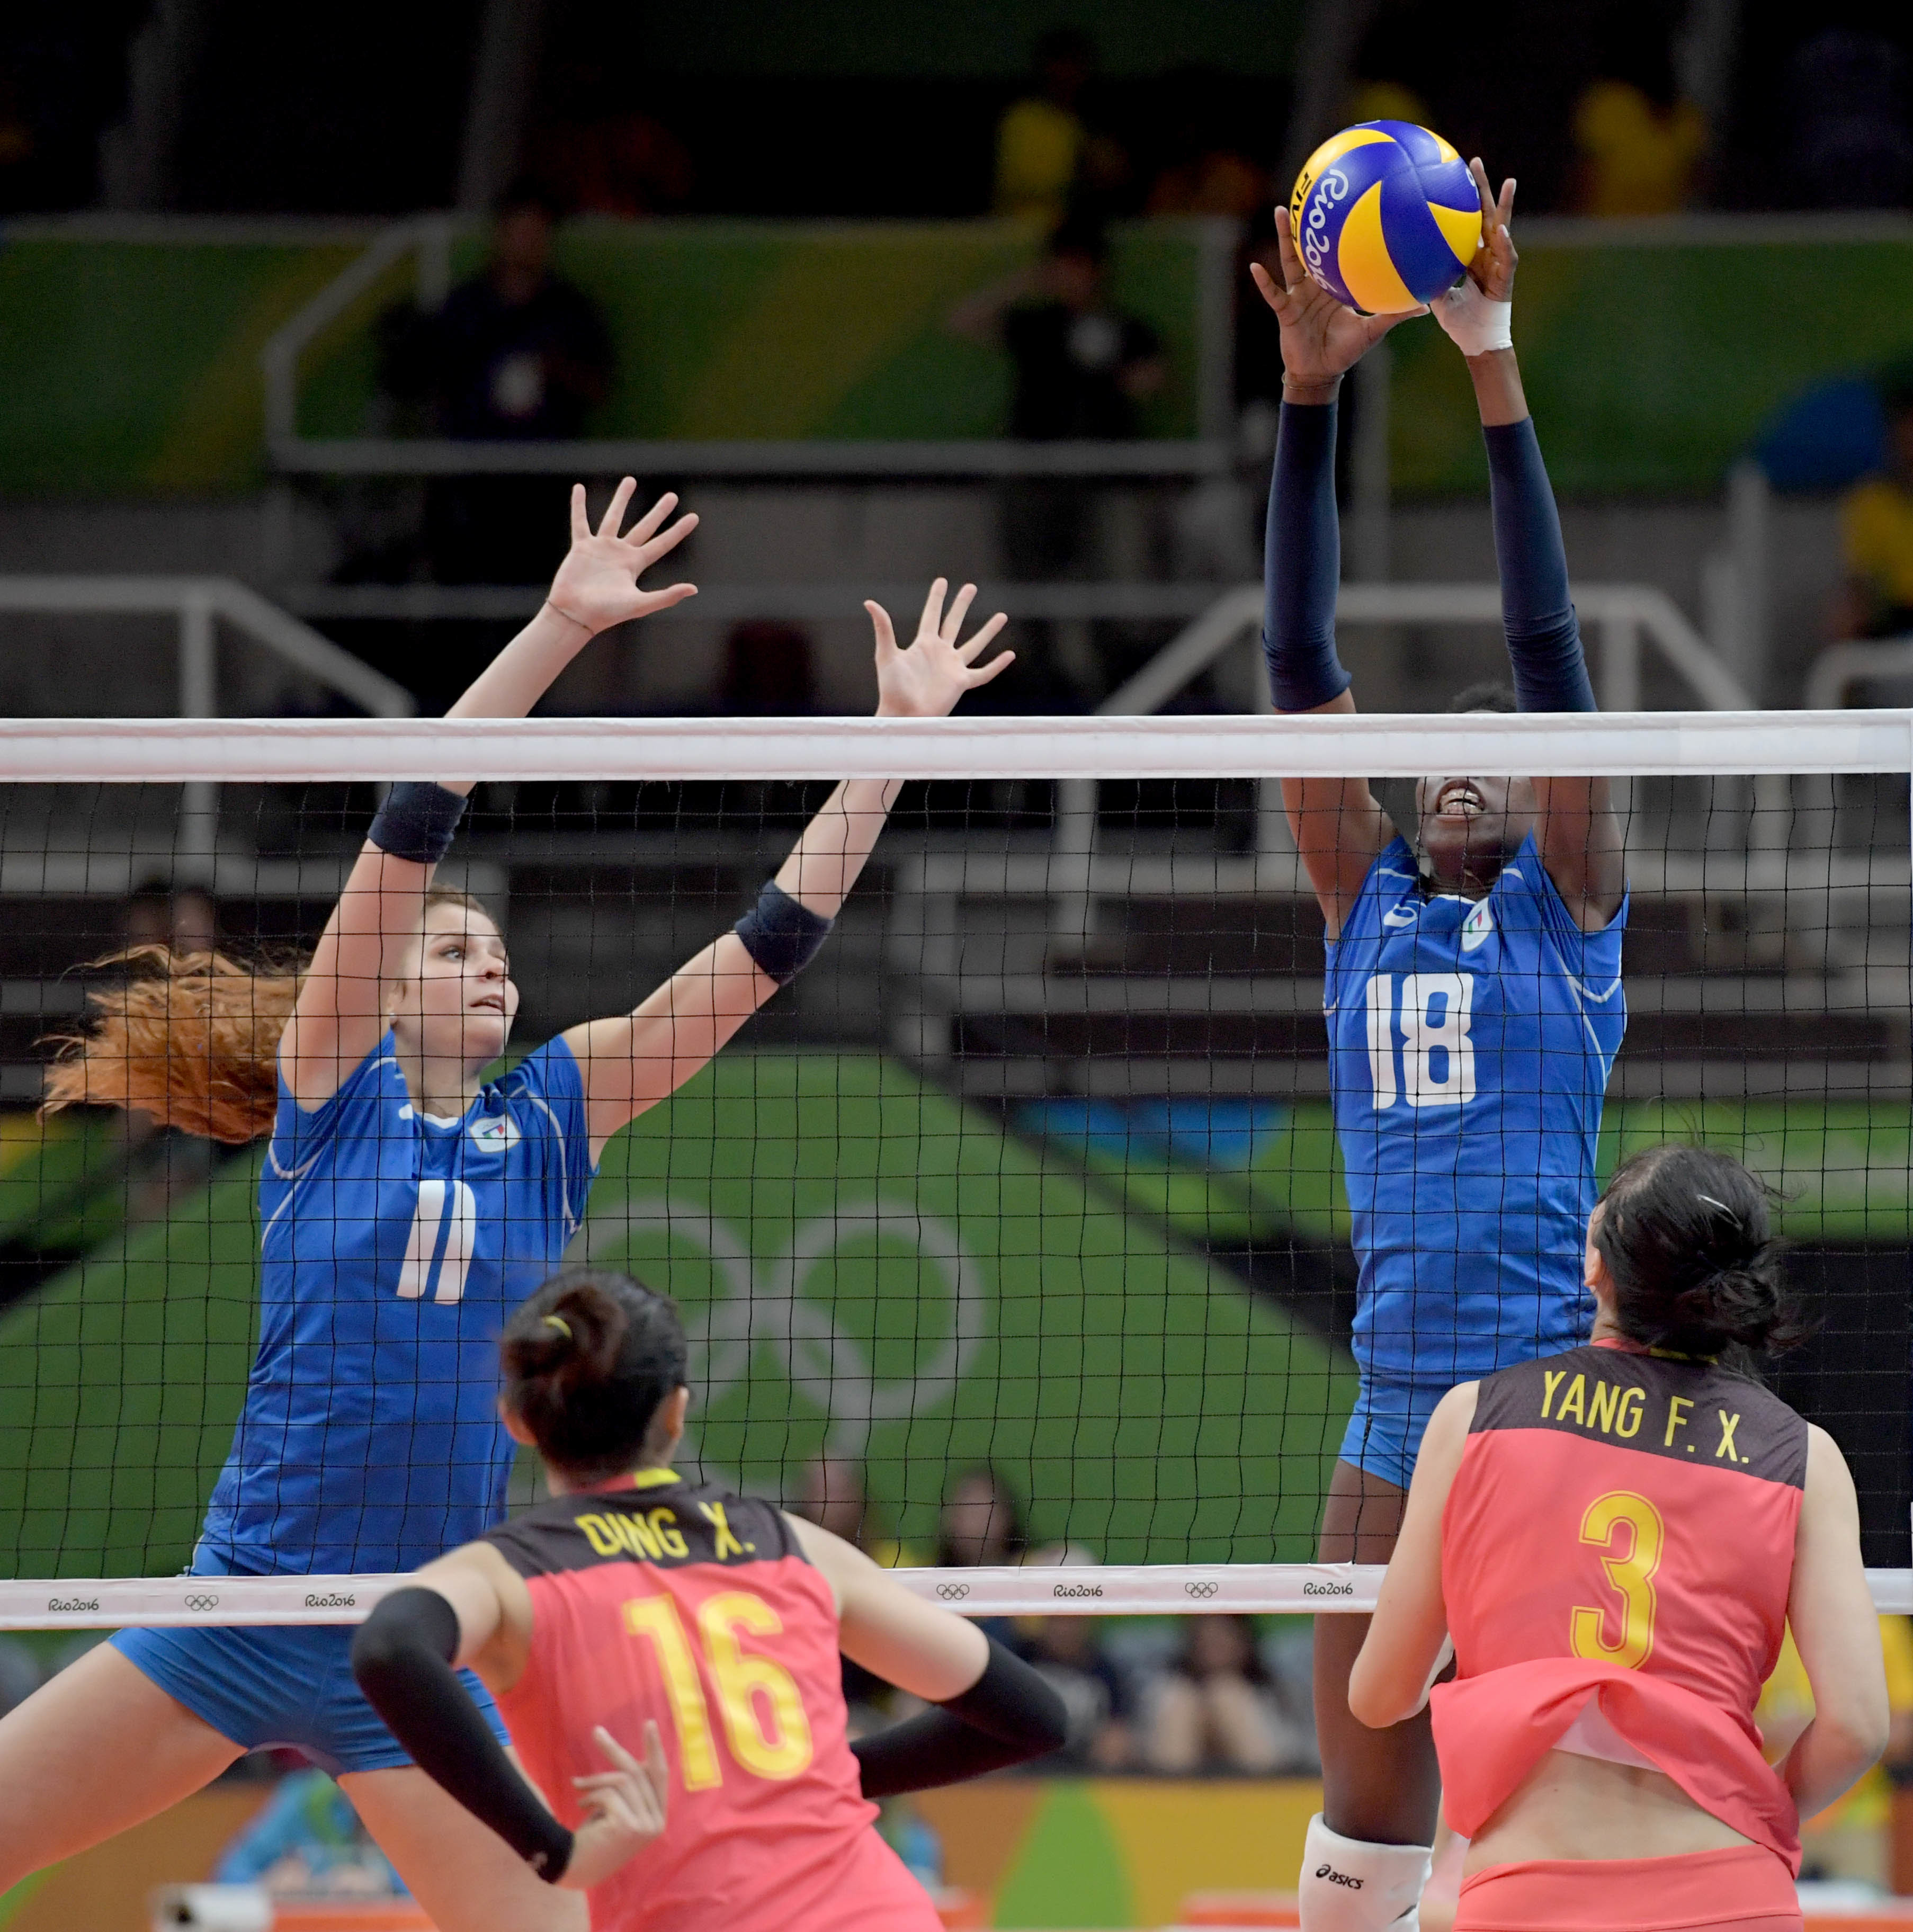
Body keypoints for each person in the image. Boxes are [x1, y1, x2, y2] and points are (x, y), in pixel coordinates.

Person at [4, 484, 1013, 1932]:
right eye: (461, 951)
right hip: (235, 1614)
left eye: (502, 958)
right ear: (393, 985)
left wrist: (890, 753)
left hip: (429, 1644)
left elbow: (759, 959)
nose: (496, 970)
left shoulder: (553, 1111)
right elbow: (410, 827)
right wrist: (555, 627)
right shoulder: (329, 1087)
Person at [1250, 160, 1628, 1925]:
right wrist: (1310, 397)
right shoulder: (1359, 900)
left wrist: (1488, 360)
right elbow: (1297, 647)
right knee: (1363, 1789)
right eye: (1440, 745)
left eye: (1503, 746)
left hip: (1563, 1397)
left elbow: (1548, 653)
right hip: (1396, 1403)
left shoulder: (1569, 903)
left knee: (1569, 1791)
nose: (1470, 754)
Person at [350, 1268, 1068, 1920]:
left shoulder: (507, 1574)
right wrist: (831, 1776)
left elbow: (388, 1647)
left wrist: (553, 1851)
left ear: (517, 1420)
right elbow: (1034, 1717)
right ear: (676, 1413)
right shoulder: (791, 1542)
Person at [1348, 1144, 1888, 1932]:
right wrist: (1753, 1812)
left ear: (1596, 1267)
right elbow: (1859, 1726)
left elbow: (1378, 1696)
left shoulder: (1476, 1418)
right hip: (1732, 1891)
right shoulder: (1804, 1456)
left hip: (1532, 1893)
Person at [1140, 1616, 1308, 1776]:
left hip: (1268, 1790)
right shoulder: (1169, 1690)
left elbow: (1292, 1754)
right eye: (1207, 1642)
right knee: (1182, 1701)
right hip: (1175, 1793)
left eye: (1222, 1640)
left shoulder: (1276, 1691)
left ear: (1244, 1642)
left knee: (1226, 1695)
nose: (1214, 1650)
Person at [1831, 370, 1913, 643]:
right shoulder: (1870, 501)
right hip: (1896, 622)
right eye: (1903, 427)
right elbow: (1860, 581)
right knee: (1845, 619)